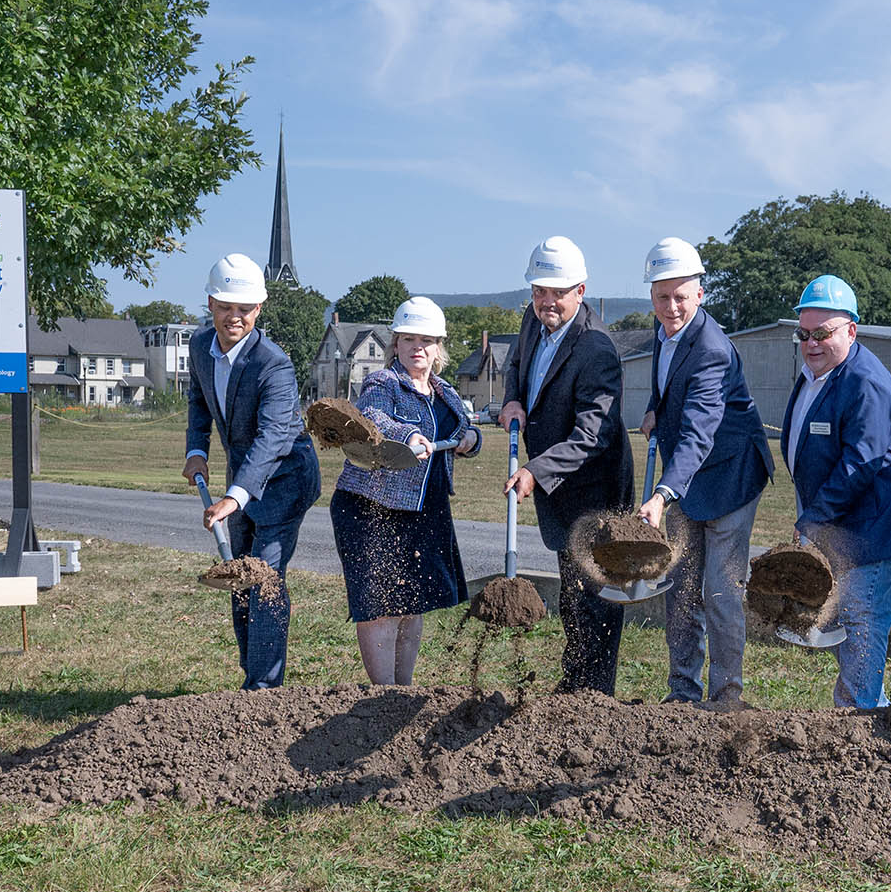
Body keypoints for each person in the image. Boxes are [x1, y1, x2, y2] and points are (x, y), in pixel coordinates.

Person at [635, 237, 772, 708]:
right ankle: (682, 692)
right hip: (688, 476)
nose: (671, 306)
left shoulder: (712, 348)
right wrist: (656, 408)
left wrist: (662, 493)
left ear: (700, 293)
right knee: (679, 586)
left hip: (728, 476)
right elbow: (671, 382)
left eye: (680, 295)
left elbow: (699, 431)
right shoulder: (663, 332)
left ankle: (726, 697)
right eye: (661, 296)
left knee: (719, 588)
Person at [779, 275, 891, 708]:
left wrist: (812, 521)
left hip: (874, 532)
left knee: (862, 636)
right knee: (855, 636)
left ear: (851, 330)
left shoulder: (866, 383)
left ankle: (861, 735)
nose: (812, 343)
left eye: (823, 333)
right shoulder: (814, 374)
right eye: (804, 334)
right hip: (845, 529)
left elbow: (858, 465)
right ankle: (870, 717)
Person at [499, 236, 633, 695]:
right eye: (540, 290)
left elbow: (593, 435)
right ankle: (576, 685)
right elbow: (516, 364)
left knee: (594, 595)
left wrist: (536, 470)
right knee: (572, 592)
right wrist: (512, 399)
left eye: (558, 292)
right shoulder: (533, 320)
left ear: (581, 290)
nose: (547, 301)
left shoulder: (597, 350)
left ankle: (594, 697)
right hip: (560, 486)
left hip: (594, 489)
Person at [181, 253, 322, 689]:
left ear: (258, 309)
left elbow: (276, 435)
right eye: (226, 306)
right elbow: (199, 402)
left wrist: (234, 497)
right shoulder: (200, 348)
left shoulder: (272, 363)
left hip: (285, 478)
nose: (234, 317)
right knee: (239, 574)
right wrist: (195, 449)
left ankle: (263, 690)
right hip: (242, 477)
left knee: (263, 576)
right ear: (210, 303)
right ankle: (253, 676)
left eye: (244, 309)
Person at [330, 297, 483, 684]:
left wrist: (470, 438)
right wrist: (408, 434)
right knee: (380, 606)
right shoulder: (384, 383)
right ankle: (383, 695)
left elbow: (466, 427)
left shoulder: (445, 392)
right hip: (372, 508)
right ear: (395, 345)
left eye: (427, 340)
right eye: (409, 339)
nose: (418, 347)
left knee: (412, 605)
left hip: (425, 509)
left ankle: (404, 690)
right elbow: (374, 417)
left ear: (438, 348)